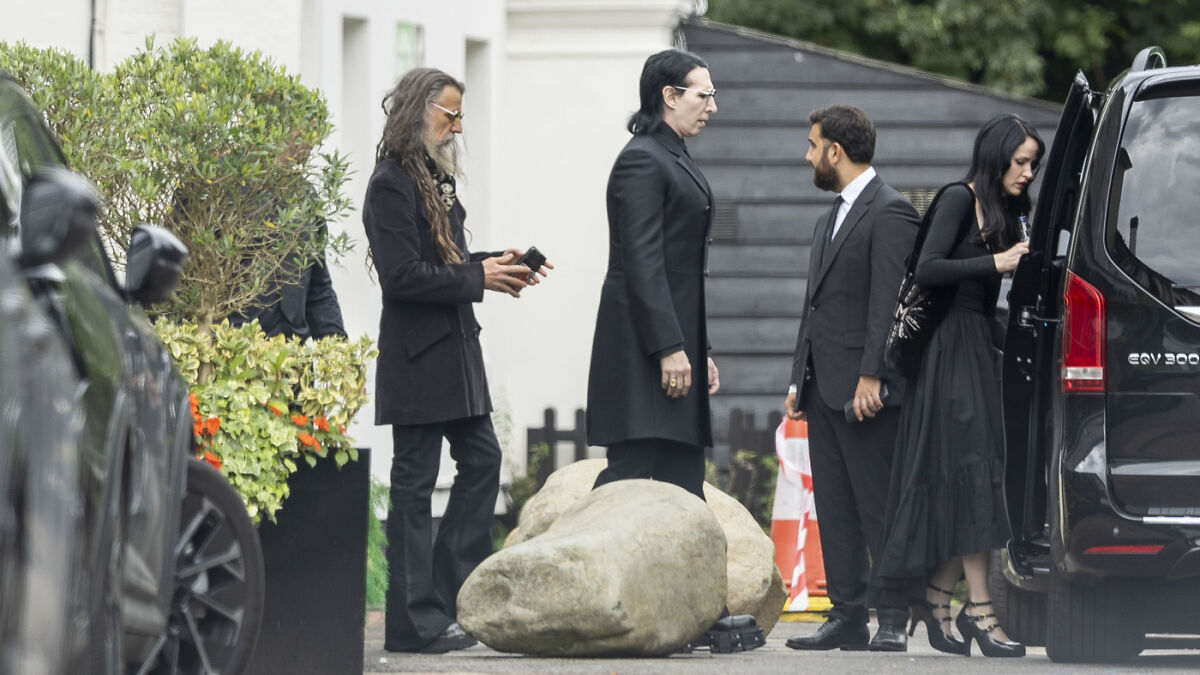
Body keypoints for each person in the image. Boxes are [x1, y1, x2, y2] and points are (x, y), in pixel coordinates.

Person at [362, 67, 551, 655]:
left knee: (483, 460)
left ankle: (447, 598)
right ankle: (413, 623)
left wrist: (499, 262)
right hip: (419, 357)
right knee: (415, 487)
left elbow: (451, 258)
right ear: (418, 111)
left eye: (459, 114)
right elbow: (401, 277)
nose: (457, 125)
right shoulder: (389, 183)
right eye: (450, 113)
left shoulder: (433, 179)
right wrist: (477, 276)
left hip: (455, 352)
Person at [874, 114, 1043, 658]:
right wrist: (996, 260)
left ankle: (938, 596)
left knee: (969, 473)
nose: (1027, 172)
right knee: (972, 470)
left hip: (973, 345)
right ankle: (980, 608)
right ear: (995, 157)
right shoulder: (955, 198)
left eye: (1032, 164)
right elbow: (926, 270)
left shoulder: (1003, 213)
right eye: (1020, 162)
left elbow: (982, 303)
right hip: (947, 353)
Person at [782, 105, 919, 652]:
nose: (808, 155)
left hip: (865, 391)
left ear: (835, 151)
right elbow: (815, 308)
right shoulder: (827, 219)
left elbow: (891, 304)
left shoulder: (892, 212)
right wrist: (798, 379)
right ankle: (847, 615)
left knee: (876, 504)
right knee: (835, 505)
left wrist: (872, 377)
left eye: (813, 145)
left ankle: (891, 616)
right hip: (821, 388)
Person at [587, 48, 719, 502]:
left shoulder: (671, 153)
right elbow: (643, 262)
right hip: (645, 352)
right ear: (669, 95)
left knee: (682, 485)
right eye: (704, 95)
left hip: (672, 349)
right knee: (629, 477)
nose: (712, 107)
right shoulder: (642, 159)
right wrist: (669, 347)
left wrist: (697, 350)